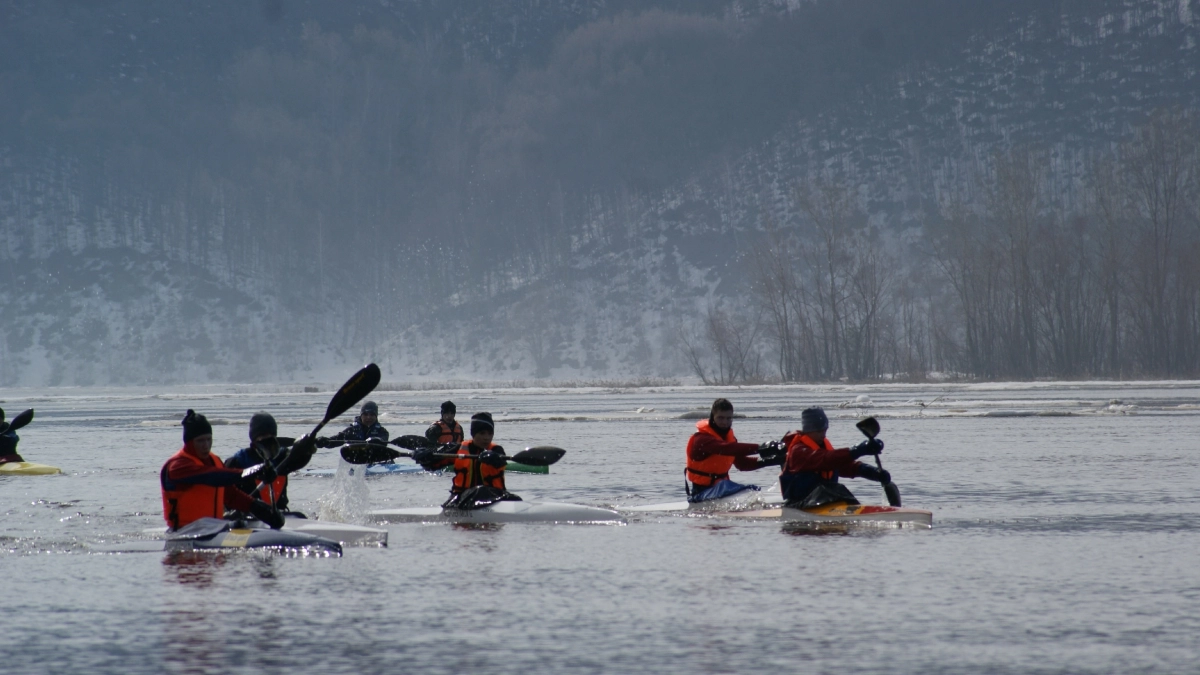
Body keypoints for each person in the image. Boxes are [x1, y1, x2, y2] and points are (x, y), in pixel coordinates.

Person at [160, 409, 284, 530]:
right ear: (189, 443)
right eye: (200, 441)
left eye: (209, 439)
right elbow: (211, 476)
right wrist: (251, 472)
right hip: (184, 532)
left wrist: (259, 509)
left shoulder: (215, 461)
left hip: (213, 529)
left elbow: (231, 496)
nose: (206, 445)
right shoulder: (177, 466)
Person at [777, 407, 889, 507]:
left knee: (834, 489)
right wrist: (858, 450)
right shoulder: (798, 451)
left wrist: (870, 471)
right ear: (808, 431)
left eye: (825, 430)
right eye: (819, 431)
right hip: (799, 504)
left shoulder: (822, 447)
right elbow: (826, 459)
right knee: (834, 490)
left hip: (822, 500)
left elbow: (841, 465)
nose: (823, 435)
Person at [684, 398, 785, 503]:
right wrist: (761, 448)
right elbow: (725, 448)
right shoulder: (701, 439)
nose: (725, 422)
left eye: (729, 418)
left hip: (722, 492)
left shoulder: (729, 439)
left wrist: (774, 460)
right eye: (720, 418)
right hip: (701, 495)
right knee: (732, 487)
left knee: (752, 490)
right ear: (712, 417)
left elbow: (743, 464)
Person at [413, 411, 516, 508]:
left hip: (494, 496)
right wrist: (425, 457)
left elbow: (500, 461)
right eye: (482, 433)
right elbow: (433, 465)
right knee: (479, 490)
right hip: (462, 498)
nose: (486, 438)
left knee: (510, 497)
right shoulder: (459, 449)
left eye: (490, 433)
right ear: (473, 434)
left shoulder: (496, 450)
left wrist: (493, 458)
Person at [222, 412, 318, 515]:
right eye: (264, 435)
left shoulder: (282, 457)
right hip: (247, 517)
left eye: (272, 435)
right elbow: (224, 494)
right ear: (254, 439)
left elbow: (298, 461)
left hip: (281, 516)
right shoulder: (237, 461)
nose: (269, 439)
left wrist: (308, 450)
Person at [324, 400, 390, 445]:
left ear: (376, 416)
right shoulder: (351, 431)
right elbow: (336, 440)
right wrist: (325, 442)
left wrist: (377, 440)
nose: (368, 417)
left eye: (372, 415)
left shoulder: (382, 432)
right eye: (365, 414)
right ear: (361, 416)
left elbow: (383, 441)